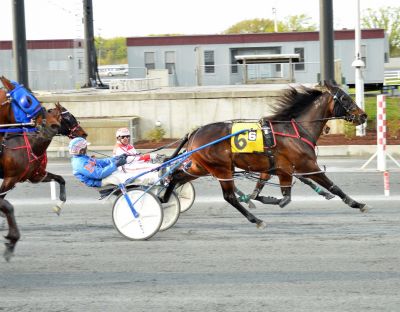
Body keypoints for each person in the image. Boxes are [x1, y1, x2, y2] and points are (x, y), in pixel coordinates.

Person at [69, 137, 159, 188]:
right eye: (85, 147)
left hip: (104, 176)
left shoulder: (83, 158)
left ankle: (154, 178)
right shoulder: (80, 163)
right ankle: (156, 179)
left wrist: (116, 158)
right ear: (80, 150)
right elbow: (99, 174)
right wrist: (116, 164)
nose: (86, 148)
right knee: (129, 177)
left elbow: (101, 162)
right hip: (100, 180)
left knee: (129, 173)